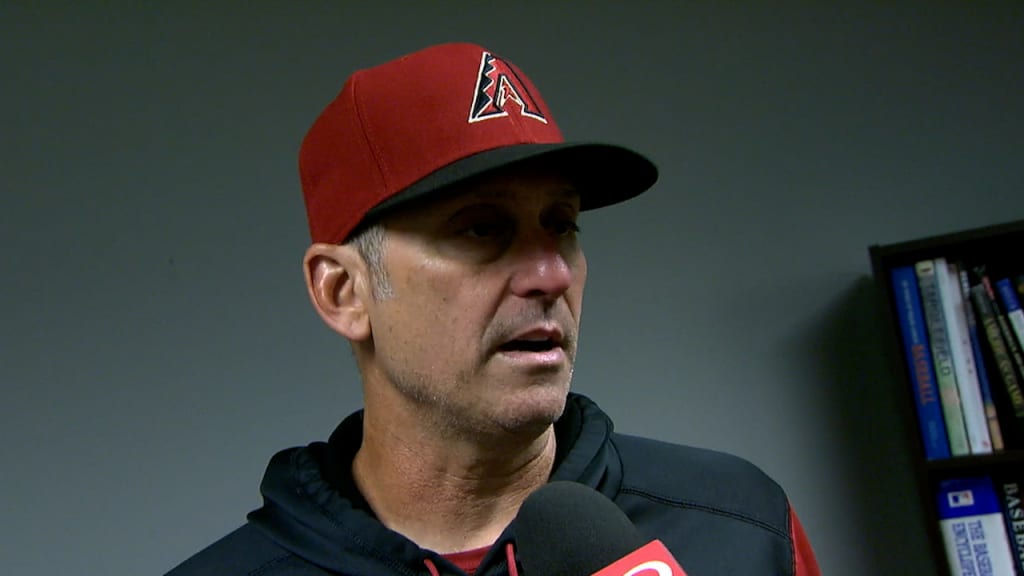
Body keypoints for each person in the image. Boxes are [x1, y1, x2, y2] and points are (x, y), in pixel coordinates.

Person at [167, 42, 820, 576]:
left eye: (561, 223)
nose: (550, 273)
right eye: (481, 229)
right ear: (344, 292)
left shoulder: (743, 526)